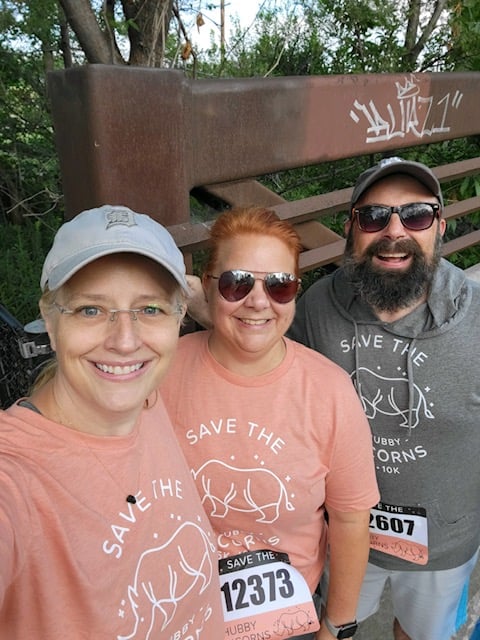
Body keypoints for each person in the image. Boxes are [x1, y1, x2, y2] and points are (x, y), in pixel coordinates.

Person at [0, 204, 224, 639]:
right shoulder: (17, 477)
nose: (124, 341)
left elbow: (251, 328)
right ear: (49, 319)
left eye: (150, 309)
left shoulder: (148, 398)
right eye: (90, 310)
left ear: (180, 317)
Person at [160, 206, 380, 640]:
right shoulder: (160, 372)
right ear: (208, 286)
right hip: (179, 609)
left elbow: (351, 521)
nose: (259, 302)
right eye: (236, 282)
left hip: (286, 620)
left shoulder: (330, 391)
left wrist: (337, 626)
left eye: (280, 285)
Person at [288, 157, 480, 640]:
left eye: (416, 215)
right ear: (351, 229)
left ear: (440, 226)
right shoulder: (317, 307)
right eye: (374, 216)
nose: (394, 231)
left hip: (444, 543)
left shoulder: (475, 319)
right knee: (334, 627)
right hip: (345, 534)